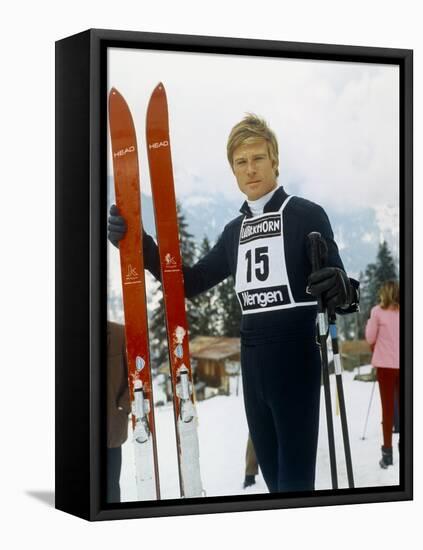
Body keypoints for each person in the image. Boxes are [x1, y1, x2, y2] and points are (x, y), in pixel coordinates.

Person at [108, 114, 359, 493]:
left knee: (295, 485)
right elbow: (189, 282)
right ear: (233, 171)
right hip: (252, 363)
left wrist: (343, 288)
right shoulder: (233, 232)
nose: (251, 169)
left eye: (258, 158)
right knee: (274, 482)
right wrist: (140, 245)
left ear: (275, 161)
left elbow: (341, 292)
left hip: (295, 360)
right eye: (241, 163)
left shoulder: (306, 215)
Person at [365, 280, 400, 469]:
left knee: (387, 410)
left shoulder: (377, 312)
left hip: (385, 367)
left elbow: (370, 337)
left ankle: (387, 454)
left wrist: (376, 348)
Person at [107, 321, 131, 502]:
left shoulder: (119, 333)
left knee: (111, 486)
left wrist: (122, 407)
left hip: (111, 427)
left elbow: (134, 376)